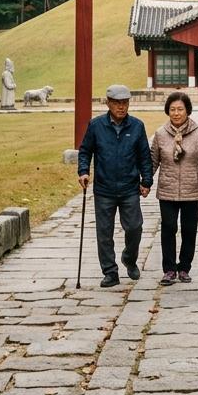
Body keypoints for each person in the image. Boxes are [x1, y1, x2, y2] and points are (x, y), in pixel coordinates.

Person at [77, 84, 152, 287]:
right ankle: (110, 271)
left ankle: (129, 258)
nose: (121, 107)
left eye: (125, 103)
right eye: (117, 103)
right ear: (108, 103)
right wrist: (83, 171)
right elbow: (85, 151)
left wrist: (147, 181)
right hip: (104, 188)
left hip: (129, 187)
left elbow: (145, 156)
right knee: (104, 232)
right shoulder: (96, 125)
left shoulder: (137, 126)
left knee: (135, 227)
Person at [150, 92, 198, 285]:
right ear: (167, 111)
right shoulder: (161, 134)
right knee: (168, 228)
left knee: (189, 229)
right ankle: (169, 269)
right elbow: (152, 161)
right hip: (167, 189)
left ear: (187, 111)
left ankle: (184, 267)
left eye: (180, 109)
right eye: (172, 109)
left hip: (192, 189)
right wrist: (144, 182)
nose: (176, 113)